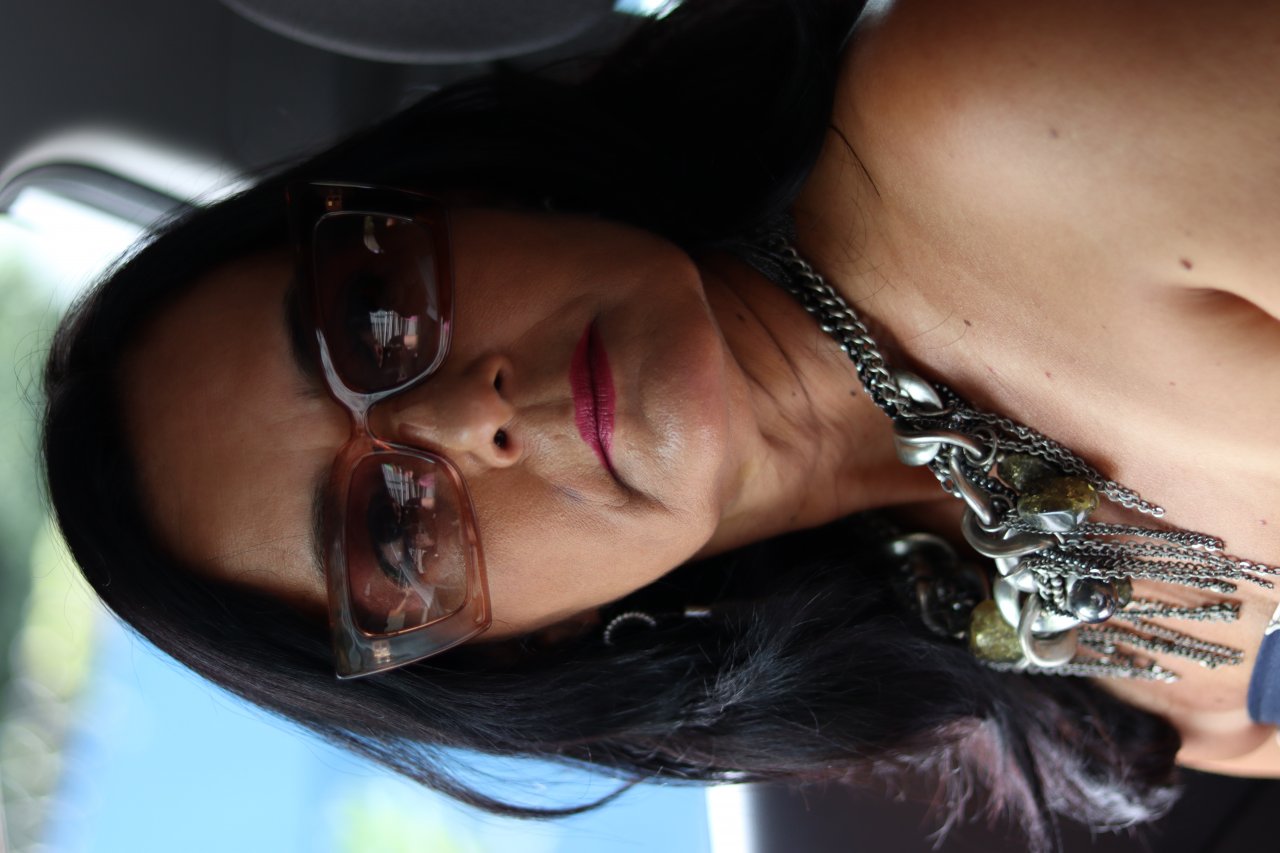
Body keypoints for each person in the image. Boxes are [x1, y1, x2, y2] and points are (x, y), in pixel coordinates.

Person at [40, 0, 1280, 848]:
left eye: (371, 320)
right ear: (516, 647)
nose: (470, 422)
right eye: (397, 535)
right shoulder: (1045, 663)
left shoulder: (994, 114)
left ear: (452, 199)